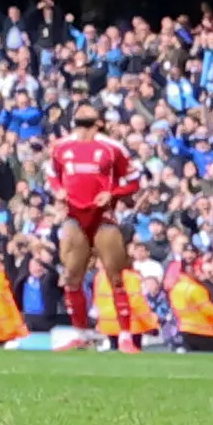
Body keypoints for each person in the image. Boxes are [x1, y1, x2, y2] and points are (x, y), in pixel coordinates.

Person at [44, 118, 138, 342]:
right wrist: (58, 189)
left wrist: (113, 193)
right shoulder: (62, 147)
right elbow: (50, 173)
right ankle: (81, 334)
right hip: (74, 216)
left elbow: (134, 181)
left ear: (97, 126)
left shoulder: (112, 148)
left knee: (115, 275)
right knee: (71, 276)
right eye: (79, 126)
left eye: (88, 127)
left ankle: (125, 334)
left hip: (102, 216)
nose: (83, 132)